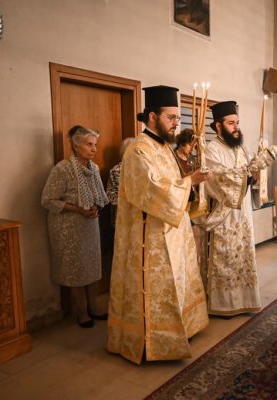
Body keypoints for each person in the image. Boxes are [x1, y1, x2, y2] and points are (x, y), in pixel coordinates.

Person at [107, 85, 211, 364]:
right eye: (171, 117)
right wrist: (190, 182)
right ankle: (151, 340)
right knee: (157, 289)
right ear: (152, 116)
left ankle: (181, 330)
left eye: (178, 117)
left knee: (179, 281)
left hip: (173, 231)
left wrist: (192, 182)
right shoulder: (138, 150)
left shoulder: (164, 148)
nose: (177, 123)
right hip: (150, 238)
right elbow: (150, 190)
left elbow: (174, 183)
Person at [41, 125, 110, 329]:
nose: (94, 149)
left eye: (95, 144)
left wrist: (94, 207)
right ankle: (82, 312)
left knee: (92, 266)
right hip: (68, 227)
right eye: (89, 144)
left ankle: (94, 307)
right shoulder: (62, 169)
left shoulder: (93, 168)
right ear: (76, 145)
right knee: (76, 269)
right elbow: (47, 200)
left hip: (89, 225)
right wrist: (78, 210)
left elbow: (98, 196)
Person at [202, 100, 261, 316]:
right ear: (218, 126)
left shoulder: (241, 148)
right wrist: (246, 176)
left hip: (243, 211)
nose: (236, 127)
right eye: (231, 123)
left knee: (243, 254)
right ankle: (225, 305)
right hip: (225, 213)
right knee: (225, 255)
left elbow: (249, 175)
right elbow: (219, 179)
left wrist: (257, 170)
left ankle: (246, 299)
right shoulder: (211, 149)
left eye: (237, 122)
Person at [106, 138, 135, 227]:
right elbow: (110, 195)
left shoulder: (141, 169)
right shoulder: (117, 170)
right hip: (122, 216)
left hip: (138, 217)